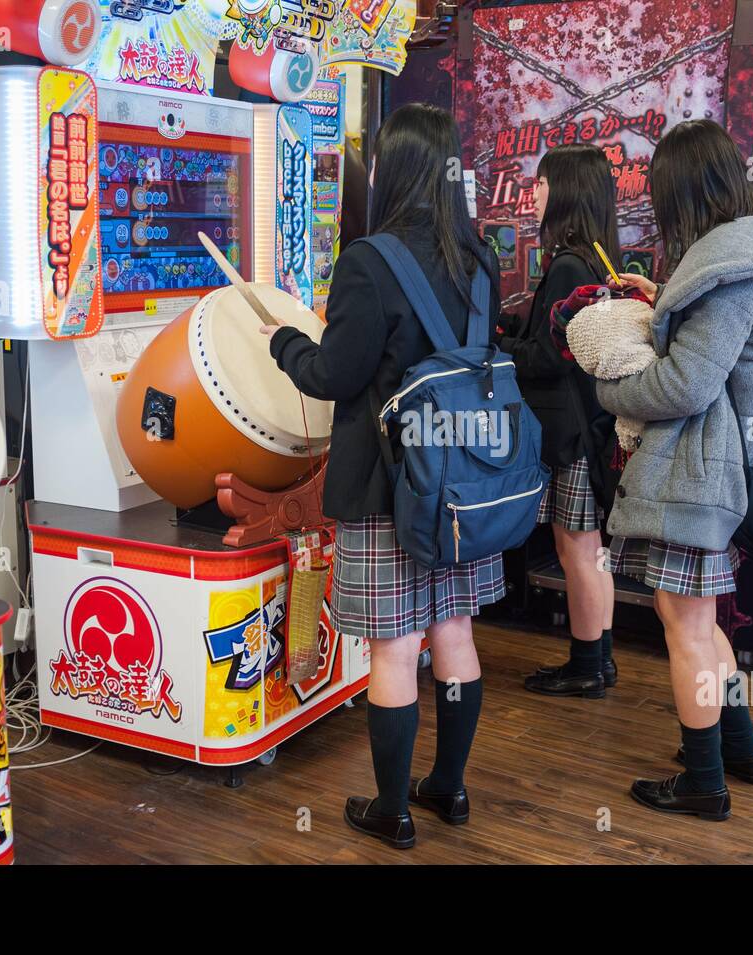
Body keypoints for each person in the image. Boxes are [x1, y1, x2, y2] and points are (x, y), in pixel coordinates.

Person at [260, 103, 502, 850]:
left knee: (395, 647)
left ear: (391, 169)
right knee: (454, 630)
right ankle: (449, 789)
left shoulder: (370, 261)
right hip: (465, 481)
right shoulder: (482, 257)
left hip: (387, 487)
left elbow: (336, 373)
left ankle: (393, 807)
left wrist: (287, 344)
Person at [597, 120, 753, 820]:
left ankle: (705, 782)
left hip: (699, 474)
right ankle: (738, 751)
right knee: (699, 621)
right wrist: (662, 297)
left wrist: (610, 391)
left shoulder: (727, 279)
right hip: (722, 472)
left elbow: (684, 384)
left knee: (685, 628)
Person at [500, 144, 619, 699]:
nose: (536, 193)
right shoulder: (595, 256)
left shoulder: (569, 262)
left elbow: (553, 356)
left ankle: (587, 664)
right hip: (590, 423)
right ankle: (600, 656)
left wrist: (501, 348)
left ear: (565, 189)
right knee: (589, 547)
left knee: (577, 547)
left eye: (543, 183)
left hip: (568, 429)